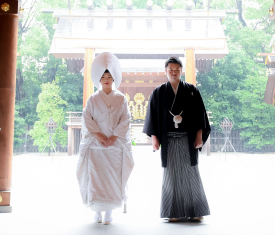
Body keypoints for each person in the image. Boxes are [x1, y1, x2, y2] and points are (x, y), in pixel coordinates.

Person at [143, 56, 211, 222]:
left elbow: (200, 115)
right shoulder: (158, 92)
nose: (174, 73)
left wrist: (199, 136)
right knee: (171, 174)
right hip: (168, 140)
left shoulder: (192, 90)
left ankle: (196, 211)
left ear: (181, 71)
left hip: (188, 138)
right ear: (166, 71)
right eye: (171, 70)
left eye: (177, 70)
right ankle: (172, 212)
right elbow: (152, 116)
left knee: (191, 172)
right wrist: (154, 138)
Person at [76, 51, 134, 225]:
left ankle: (109, 212)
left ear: (114, 78)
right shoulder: (93, 99)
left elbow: (126, 119)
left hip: (114, 146)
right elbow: (87, 118)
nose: (106, 79)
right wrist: (98, 135)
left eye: (109, 76)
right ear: (99, 79)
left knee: (112, 178)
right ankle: (97, 211)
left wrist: (114, 136)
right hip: (96, 145)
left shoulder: (121, 99)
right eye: (103, 77)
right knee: (96, 178)